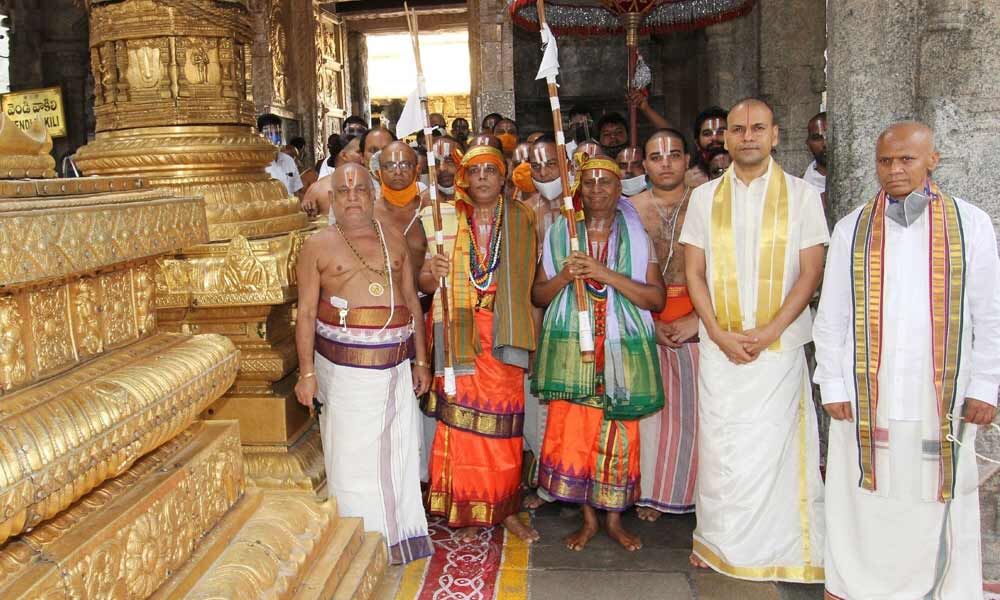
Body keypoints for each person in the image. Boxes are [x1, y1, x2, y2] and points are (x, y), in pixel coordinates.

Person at [814, 121, 1000, 600]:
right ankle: (860, 582)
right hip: (865, 389)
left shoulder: (970, 223)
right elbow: (831, 313)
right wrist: (832, 382)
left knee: (934, 487)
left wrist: (985, 386)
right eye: (885, 161)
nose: (894, 170)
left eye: (906, 159)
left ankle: (940, 585)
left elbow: (990, 313)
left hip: (940, 388)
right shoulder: (851, 227)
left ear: (931, 160)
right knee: (867, 492)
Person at [680, 98, 827, 581]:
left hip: (777, 348)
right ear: (726, 137)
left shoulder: (803, 196)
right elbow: (694, 272)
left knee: (776, 448)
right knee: (723, 448)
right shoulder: (704, 198)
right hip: (721, 348)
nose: (747, 136)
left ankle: (781, 546)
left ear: (775, 135)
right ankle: (718, 541)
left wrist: (770, 330)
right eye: (738, 129)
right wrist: (719, 333)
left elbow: (810, 273)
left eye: (757, 128)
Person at [293, 162, 433, 565]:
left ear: (373, 196)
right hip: (343, 374)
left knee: (398, 452)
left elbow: (411, 302)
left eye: (359, 190)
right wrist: (306, 374)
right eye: (343, 191)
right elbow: (304, 314)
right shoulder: (318, 244)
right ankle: (359, 543)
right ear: (332, 200)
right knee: (350, 456)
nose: (351, 197)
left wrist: (421, 361)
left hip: (394, 367)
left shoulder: (393, 239)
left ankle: (399, 534)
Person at [533, 155, 665, 552]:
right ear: (579, 189)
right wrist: (565, 276)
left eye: (604, 182)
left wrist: (604, 274)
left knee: (619, 437)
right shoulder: (561, 234)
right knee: (578, 434)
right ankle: (589, 520)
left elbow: (655, 299)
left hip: (621, 351)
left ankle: (614, 521)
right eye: (587, 182)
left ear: (618, 186)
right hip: (575, 351)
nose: (595, 190)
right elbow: (538, 295)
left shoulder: (639, 236)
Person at [419, 143, 541, 544]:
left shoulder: (523, 217)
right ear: (464, 178)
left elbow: (531, 283)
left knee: (505, 426)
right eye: (476, 171)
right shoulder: (445, 219)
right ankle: (467, 508)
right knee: (462, 427)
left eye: (491, 169)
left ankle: (505, 509)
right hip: (460, 331)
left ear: (504, 176)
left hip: (505, 332)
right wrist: (431, 271)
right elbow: (422, 283)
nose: (483, 177)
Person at [629, 129, 700, 521]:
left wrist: (698, 319)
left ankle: (690, 493)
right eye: (657, 157)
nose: (667, 162)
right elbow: (622, 269)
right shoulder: (630, 208)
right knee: (650, 418)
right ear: (645, 165)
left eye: (675, 154)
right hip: (645, 320)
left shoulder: (708, 204)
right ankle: (651, 495)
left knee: (692, 415)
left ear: (687, 159)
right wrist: (647, 322)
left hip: (698, 320)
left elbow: (725, 272)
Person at [375, 141, 428, 285]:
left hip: (425, 299)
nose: (398, 172)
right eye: (390, 166)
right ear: (378, 173)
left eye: (405, 165)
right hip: (384, 299)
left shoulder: (429, 210)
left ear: (417, 170)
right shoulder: (369, 213)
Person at [260, 113, 304, 198]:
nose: (275, 138)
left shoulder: (289, 160)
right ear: (261, 136)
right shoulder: (257, 165)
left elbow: (296, 193)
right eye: (270, 134)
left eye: (278, 133)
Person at [686, 106, 728, 188]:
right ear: (697, 143)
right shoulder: (690, 181)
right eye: (707, 134)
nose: (714, 138)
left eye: (721, 132)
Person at [803, 112, 827, 197]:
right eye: (817, 138)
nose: (825, 144)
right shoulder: (798, 188)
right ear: (808, 143)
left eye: (829, 136)